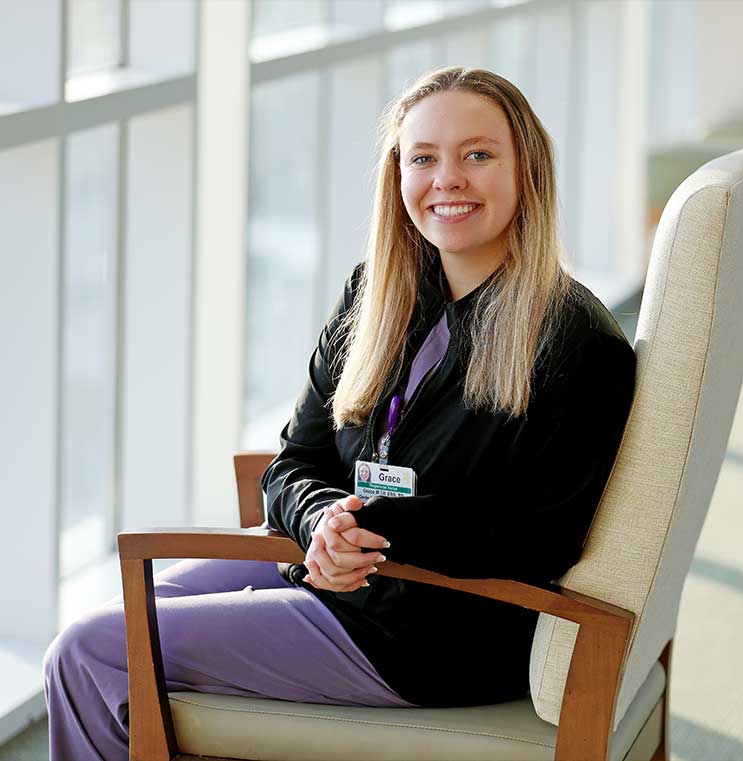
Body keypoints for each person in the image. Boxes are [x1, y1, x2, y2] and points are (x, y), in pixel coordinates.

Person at [43, 65, 636, 760]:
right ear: (398, 176)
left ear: (526, 169)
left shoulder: (576, 341)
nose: (447, 178)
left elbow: (537, 537)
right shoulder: (376, 297)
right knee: (103, 628)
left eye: (478, 154)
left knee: (94, 651)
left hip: (427, 629)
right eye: (423, 157)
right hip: (334, 569)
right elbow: (296, 459)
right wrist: (322, 520)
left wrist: (364, 532)